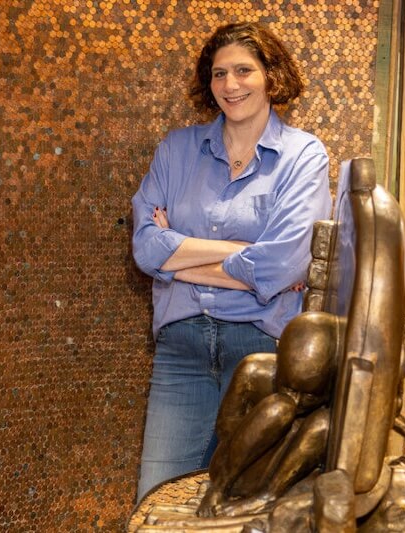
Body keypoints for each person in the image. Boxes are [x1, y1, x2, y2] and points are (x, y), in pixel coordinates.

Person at [131, 21, 332, 501]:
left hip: (260, 350)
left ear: (271, 77)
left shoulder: (303, 156)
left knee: (251, 508)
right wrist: (246, 257)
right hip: (181, 350)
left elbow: (284, 265)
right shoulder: (176, 149)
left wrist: (178, 254)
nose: (230, 85)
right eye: (219, 74)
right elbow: (144, 248)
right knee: (156, 502)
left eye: (244, 70)